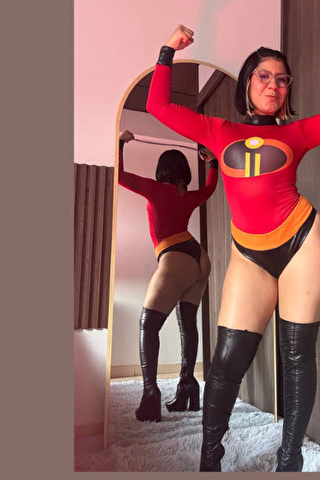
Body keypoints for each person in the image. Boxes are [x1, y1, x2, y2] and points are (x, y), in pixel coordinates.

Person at [146, 24, 320, 471]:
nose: (274, 85)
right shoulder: (217, 129)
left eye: (282, 79)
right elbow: (157, 105)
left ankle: (289, 461)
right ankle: (210, 459)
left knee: (297, 356)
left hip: (303, 244)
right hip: (249, 255)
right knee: (227, 361)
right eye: (264, 76)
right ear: (248, 83)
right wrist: (168, 51)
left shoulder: (297, 133)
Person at [118, 129, 218, 422]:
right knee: (188, 324)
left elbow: (119, 175)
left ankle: (150, 395)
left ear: (162, 170)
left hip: (175, 258)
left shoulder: (156, 189)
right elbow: (210, 189)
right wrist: (212, 163)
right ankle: (188, 385)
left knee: (148, 325)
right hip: (199, 258)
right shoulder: (189, 195)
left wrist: (121, 143)